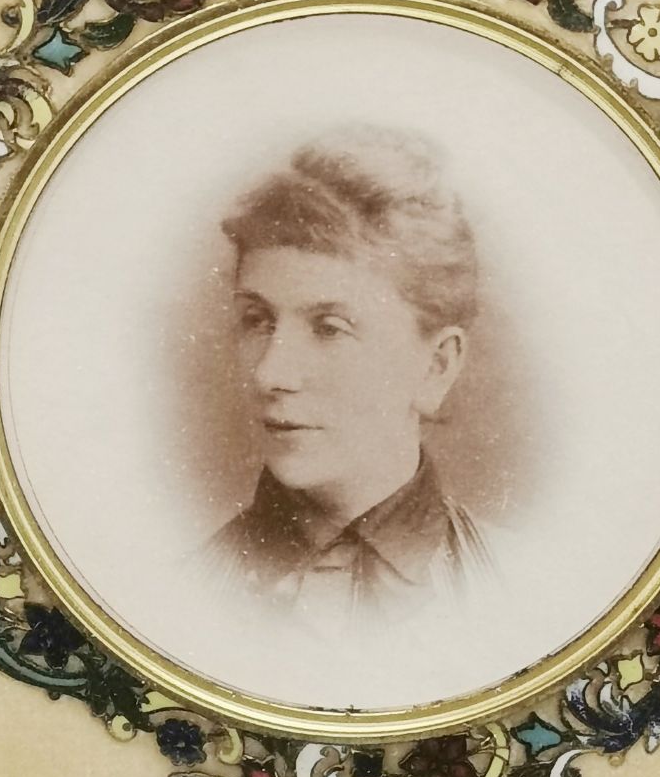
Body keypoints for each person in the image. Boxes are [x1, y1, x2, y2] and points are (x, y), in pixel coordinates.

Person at [199, 125, 501, 641]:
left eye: (329, 328)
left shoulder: (530, 591)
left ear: (436, 367)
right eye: (257, 320)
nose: (271, 373)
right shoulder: (174, 595)